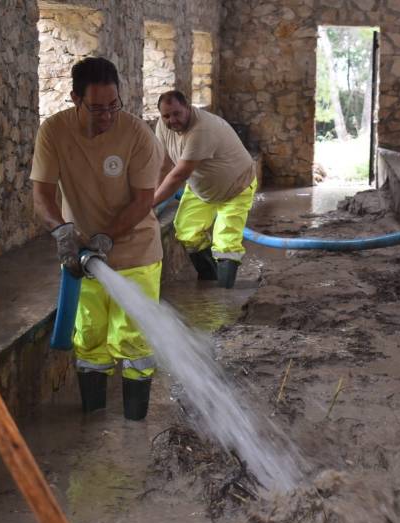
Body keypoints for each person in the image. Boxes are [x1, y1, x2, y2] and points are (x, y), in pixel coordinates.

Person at [31, 57, 164, 421]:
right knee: (89, 338)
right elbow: (41, 194)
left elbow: (143, 201)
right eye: (97, 108)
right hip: (82, 254)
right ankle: (95, 426)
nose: (107, 115)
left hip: (136, 251)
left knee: (133, 340)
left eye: (113, 106)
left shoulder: (137, 135)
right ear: (75, 98)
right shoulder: (54, 132)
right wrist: (62, 231)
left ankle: (134, 429)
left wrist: (107, 237)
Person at [154, 90, 257, 289]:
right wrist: (153, 203)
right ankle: (209, 282)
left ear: (188, 107)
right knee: (187, 232)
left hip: (236, 186)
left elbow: (178, 175)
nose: (171, 120)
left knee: (226, 243)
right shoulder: (163, 126)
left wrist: (148, 204)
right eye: (166, 116)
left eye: (176, 113)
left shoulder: (202, 129)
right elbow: (164, 165)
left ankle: (224, 296)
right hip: (200, 187)